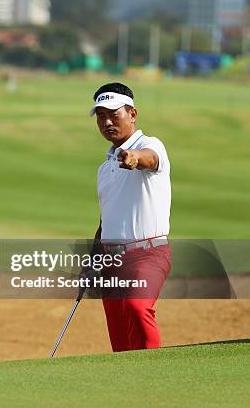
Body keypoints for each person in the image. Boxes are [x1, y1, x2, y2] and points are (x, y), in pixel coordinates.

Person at [89, 82, 172, 352]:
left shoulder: (150, 145)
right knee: (121, 338)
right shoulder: (104, 168)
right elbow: (106, 220)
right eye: (101, 116)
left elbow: (150, 159)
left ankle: (155, 374)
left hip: (147, 253)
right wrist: (93, 260)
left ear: (133, 114)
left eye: (114, 114)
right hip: (112, 260)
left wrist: (134, 158)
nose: (107, 122)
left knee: (137, 306)